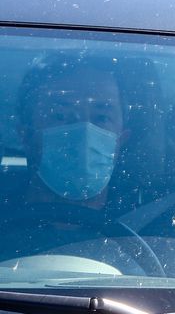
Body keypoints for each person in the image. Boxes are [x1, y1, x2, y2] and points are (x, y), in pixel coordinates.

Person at [2, 54, 133, 264]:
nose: (85, 132)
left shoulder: (156, 225)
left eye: (101, 118)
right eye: (61, 116)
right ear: (25, 136)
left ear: (122, 138)